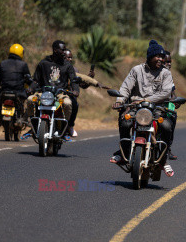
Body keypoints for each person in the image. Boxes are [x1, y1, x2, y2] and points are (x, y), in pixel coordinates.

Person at [110, 40, 175, 177]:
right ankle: (125, 153)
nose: (160, 59)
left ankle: (163, 159)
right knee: (125, 122)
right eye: (157, 56)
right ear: (150, 56)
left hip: (158, 108)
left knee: (167, 126)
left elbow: (166, 93)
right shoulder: (136, 70)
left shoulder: (166, 73)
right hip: (136, 107)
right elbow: (126, 88)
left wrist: (146, 99)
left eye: (162, 57)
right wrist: (120, 100)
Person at [24, 40, 79, 139]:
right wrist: (30, 88)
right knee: (29, 100)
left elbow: (74, 80)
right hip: (44, 93)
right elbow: (36, 80)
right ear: (55, 50)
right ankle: (34, 124)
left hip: (60, 93)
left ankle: (64, 128)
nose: (64, 52)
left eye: (65, 50)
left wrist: (76, 91)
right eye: (62, 50)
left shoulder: (67, 65)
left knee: (67, 103)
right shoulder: (44, 63)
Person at [64, 49, 110, 137]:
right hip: (56, 94)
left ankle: (70, 126)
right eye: (67, 57)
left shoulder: (74, 70)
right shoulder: (56, 67)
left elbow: (82, 85)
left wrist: (89, 79)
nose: (69, 59)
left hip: (69, 95)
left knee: (74, 104)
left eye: (71, 58)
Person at [0, 44, 31, 127]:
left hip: (4, 91)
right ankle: (24, 118)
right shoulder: (23, 64)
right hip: (19, 92)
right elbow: (28, 79)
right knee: (29, 99)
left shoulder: (3, 63)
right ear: (21, 53)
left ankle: (0, 116)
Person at [163, 51, 178, 160]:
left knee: (172, 116)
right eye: (166, 62)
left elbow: (173, 93)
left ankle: (167, 148)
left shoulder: (168, 75)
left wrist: (176, 101)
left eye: (170, 62)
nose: (169, 64)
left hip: (163, 106)